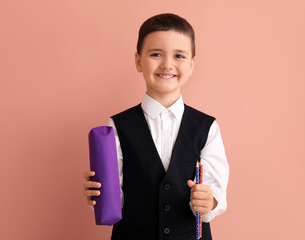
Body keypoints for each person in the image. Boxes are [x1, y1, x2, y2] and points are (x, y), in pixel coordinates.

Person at [83, 13, 229, 240]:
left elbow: (216, 191)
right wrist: (98, 196)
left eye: (179, 55)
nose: (167, 64)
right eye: (156, 54)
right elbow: (113, 200)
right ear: (138, 61)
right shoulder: (117, 126)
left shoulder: (207, 127)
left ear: (191, 65)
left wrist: (209, 201)